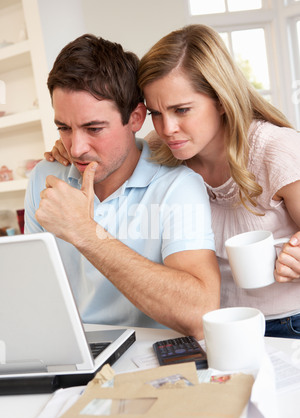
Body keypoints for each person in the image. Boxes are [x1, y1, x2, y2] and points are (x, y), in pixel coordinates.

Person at [47, 24, 300, 339]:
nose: (168, 128)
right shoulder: (161, 149)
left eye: (182, 110)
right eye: (156, 112)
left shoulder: (277, 151)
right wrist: (71, 147)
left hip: (289, 322)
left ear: (221, 99)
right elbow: (113, 146)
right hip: (218, 327)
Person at [25, 34, 220, 340]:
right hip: (69, 349)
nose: (76, 148)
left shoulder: (177, 186)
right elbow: (32, 295)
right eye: (64, 128)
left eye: (94, 129)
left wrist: (86, 233)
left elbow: (200, 313)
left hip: (152, 358)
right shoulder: (45, 177)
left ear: (136, 118)